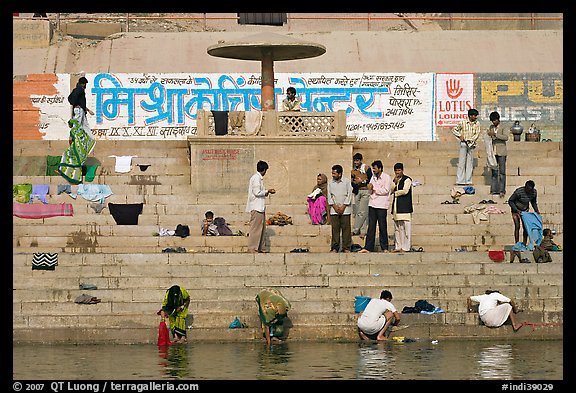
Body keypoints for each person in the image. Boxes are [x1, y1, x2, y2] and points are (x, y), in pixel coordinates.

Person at [362, 160, 392, 253]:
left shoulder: (386, 177)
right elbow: (370, 191)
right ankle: (368, 247)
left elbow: (386, 190)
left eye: (375, 168)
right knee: (371, 226)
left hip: (382, 205)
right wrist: (370, 188)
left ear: (380, 168)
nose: (373, 170)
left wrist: (374, 188)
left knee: (382, 226)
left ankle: (385, 247)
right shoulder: (373, 178)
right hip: (372, 204)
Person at [245, 160, 275, 253]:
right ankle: (252, 248)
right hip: (256, 207)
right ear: (264, 169)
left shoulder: (258, 178)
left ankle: (261, 247)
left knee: (261, 229)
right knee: (255, 229)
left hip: (260, 207)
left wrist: (265, 192)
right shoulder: (256, 178)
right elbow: (257, 192)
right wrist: (268, 191)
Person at [56, 118, 96, 184]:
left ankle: (65, 172)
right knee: (77, 164)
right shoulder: (81, 131)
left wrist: (73, 147)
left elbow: (70, 140)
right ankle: (77, 177)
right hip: (82, 152)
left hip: (75, 150)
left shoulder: (73, 130)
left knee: (66, 156)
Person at [327, 164, 353, 252]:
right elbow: (329, 196)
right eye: (332, 173)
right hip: (334, 209)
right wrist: (334, 206)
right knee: (335, 229)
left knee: (346, 229)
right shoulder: (330, 183)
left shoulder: (346, 182)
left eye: (334, 173)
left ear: (340, 174)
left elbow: (349, 195)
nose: (333, 175)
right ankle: (335, 247)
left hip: (345, 209)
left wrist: (343, 206)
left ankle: (346, 247)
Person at [452, 108, 481, 185]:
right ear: (470, 116)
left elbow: (477, 134)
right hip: (464, 143)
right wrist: (459, 136)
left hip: (471, 144)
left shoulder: (477, 123)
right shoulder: (463, 122)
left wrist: (471, 140)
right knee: (461, 162)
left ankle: (468, 180)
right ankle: (460, 180)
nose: (475, 117)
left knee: (470, 163)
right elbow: (454, 129)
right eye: (474, 115)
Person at [508, 180, 540, 245]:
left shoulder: (534, 193)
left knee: (525, 227)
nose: (528, 191)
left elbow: (533, 202)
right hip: (515, 210)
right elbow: (510, 201)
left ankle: (524, 243)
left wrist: (536, 210)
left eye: (530, 190)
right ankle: (517, 243)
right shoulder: (519, 192)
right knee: (517, 226)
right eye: (527, 189)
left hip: (525, 210)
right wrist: (516, 210)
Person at [391, 163, 413, 252]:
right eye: (396, 171)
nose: (397, 172)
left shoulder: (407, 179)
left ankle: (406, 247)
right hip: (396, 207)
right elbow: (391, 190)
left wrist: (396, 193)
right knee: (398, 228)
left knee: (406, 228)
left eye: (399, 170)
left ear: (402, 170)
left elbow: (405, 191)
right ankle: (398, 246)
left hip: (405, 207)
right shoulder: (395, 180)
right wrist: (394, 183)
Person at [485, 111, 509, 197]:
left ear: (498, 119)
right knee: (494, 172)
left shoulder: (504, 127)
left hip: (501, 152)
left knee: (502, 172)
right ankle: (494, 189)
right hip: (493, 152)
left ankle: (502, 190)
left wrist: (495, 134)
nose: (493, 122)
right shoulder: (491, 127)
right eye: (492, 121)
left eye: (494, 120)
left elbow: (506, 137)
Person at [351, 153, 372, 239]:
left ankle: (360, 230)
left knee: (363, 211)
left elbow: (371, 179)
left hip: (365, 191)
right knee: (357, 211)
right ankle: (359, 229)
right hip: (357, 191)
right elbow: (352, 181)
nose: (356, 162)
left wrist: (362, 181)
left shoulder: (366, 168)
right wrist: (355, 183)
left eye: (357, 160)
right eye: (355, 161)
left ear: (360, 160)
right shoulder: (353, 171)